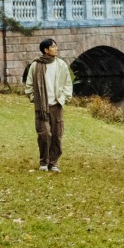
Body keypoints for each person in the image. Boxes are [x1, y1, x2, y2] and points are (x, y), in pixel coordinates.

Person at [23, 37, 73, 172]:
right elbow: (29, 85)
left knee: (57, 135)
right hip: (41, 107)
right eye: (53, 47)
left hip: (56, 105)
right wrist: (35, 98)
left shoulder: (60, 64)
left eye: (56, 46)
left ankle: (54, 163)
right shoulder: (36, 65)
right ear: (46, 50)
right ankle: (44, 162)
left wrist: (64, 99)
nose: (56, 49)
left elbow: (68, 84)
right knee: (44, 135)